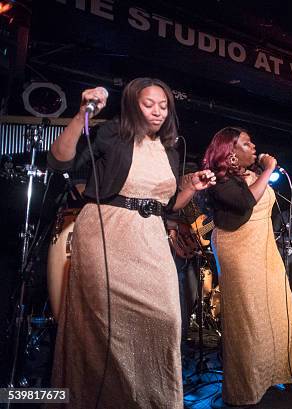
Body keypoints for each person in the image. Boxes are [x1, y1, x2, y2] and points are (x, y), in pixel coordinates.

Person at [46, 78, 215, 408]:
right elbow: (59, 161)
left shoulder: (170, 148)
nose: (157, 112)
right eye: (149, 104)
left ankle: (153, 401)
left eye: (164, 106)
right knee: (105, 332)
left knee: (166, 321)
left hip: (151, 238)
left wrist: (192, 185)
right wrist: (82, 112)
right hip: (107, 233)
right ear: (132, 105)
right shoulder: (112, 133)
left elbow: (168, 206)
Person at [202, 126, 292, 406]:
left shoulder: (252, 175)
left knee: (277, 307)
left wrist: (263, 172)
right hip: (237, 247)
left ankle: (282, 371)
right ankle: (247, 385)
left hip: (264, 247)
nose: (254, 147)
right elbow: (246, 201)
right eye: (247, 143)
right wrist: (268, 169)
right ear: (231, 152)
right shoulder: (219, 179)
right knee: (249, 315)